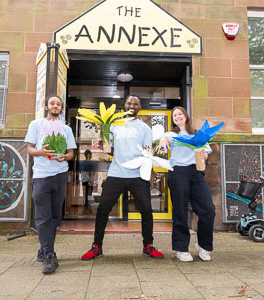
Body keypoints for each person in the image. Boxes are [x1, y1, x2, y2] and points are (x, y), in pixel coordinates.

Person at [81, 95, 164, 260]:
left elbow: (147, 152)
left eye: (135, 103)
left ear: (139, 106)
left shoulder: (144, 128)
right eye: (129, 103)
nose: (132, 105)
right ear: (124, 105)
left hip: (138, 175)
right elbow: (109, 149)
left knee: (146, 210)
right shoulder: (113, 125)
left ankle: (148, 246)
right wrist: (104, 135)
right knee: (103, 209)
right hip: (116, 173)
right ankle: (97, 247)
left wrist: (151, 169)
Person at [24, 95, 76, 274]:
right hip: (41, 176)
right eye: (52, 103)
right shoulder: (35, 125)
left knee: (55, 216)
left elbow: (71, 153)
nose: (55, 106)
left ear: (61, 108)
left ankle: (43, 248)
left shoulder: (66, 129)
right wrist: (40, 151)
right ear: (46, 106)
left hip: (60, 175)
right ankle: (49, 255)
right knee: (43, 216)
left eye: (58, 104)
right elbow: (30, 149)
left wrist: (65, 157)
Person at [158, 106, 215, 262]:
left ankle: (204, 246)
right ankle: (181, 248)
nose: (177, 117)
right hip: (178, 173)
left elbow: (205, 155)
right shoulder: (172, 134)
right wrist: (163, 143)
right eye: (174, 115)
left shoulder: (198, 134)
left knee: (208, 209)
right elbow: (165, 139)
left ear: (186, 116)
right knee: (180, 211)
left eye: (180, 114)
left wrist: (204, 155)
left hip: (196, 173)